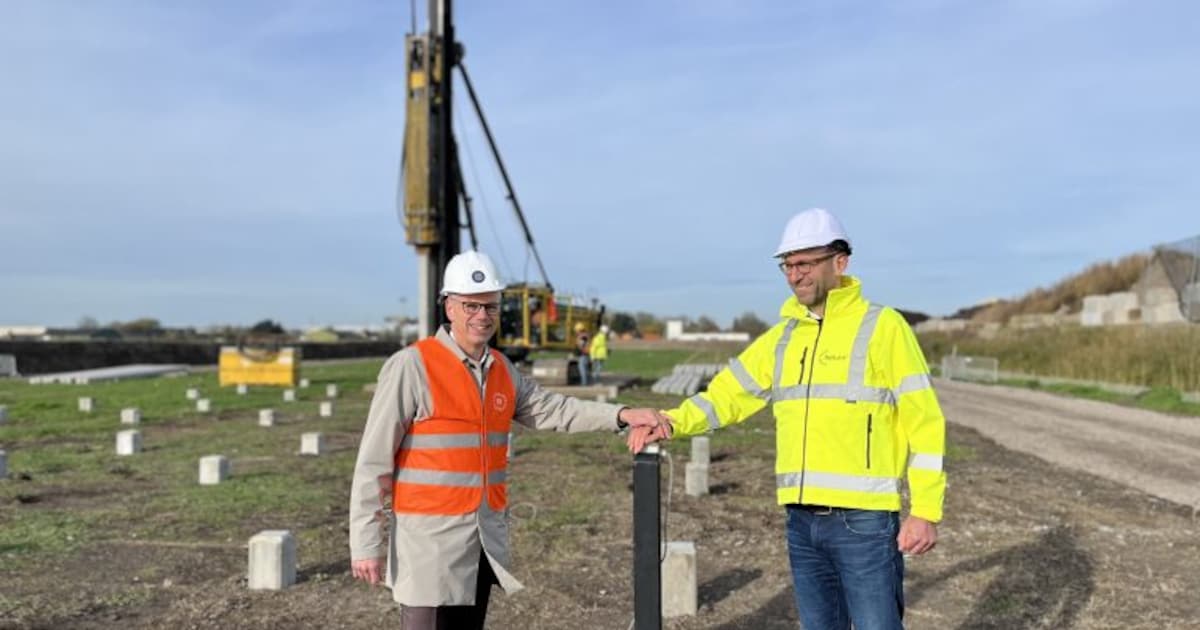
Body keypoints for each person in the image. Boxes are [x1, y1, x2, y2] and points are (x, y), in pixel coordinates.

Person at [629, 208, 946, 630]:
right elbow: (727, 395)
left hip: (864, 523)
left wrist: (925, 509)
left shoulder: (883, 327)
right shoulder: (782, 337)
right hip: (801, 520)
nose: (795, 275)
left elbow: (924, 421)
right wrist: (671, 421)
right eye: (788, 266)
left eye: (805, 263)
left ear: (840, 262)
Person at [350, 250, 666, 630]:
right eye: (471, 305)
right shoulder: (411, 367)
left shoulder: (501, 369)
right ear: (449, 306)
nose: (482, 316)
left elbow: (555, 409)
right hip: (429, 550)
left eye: (491, 307)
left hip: (481, 542)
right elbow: (373, 462)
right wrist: (366, 544)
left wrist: (621, 414)